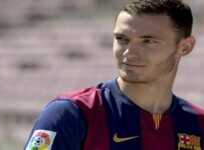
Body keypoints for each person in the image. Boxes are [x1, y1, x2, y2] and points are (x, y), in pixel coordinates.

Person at [24, 0, 203, 149]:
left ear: (185, 47)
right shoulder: (72, 113)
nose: (129, 53)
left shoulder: (198, 123)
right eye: (122, 39)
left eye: (148, 41)